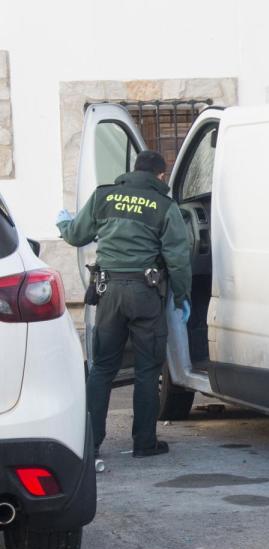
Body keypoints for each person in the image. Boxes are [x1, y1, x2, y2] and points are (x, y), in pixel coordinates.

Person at [57, 151, 192, 458]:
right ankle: (144, 444)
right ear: (160, 176)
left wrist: (64, 224)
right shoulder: (164, 206)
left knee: (102, 368)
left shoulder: (104, 196)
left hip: (108, 291)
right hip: (146, 294)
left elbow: (77, 235)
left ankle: (90, 443)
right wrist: (182, 297)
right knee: (147, 370)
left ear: (133, 170)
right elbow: (178, 259)